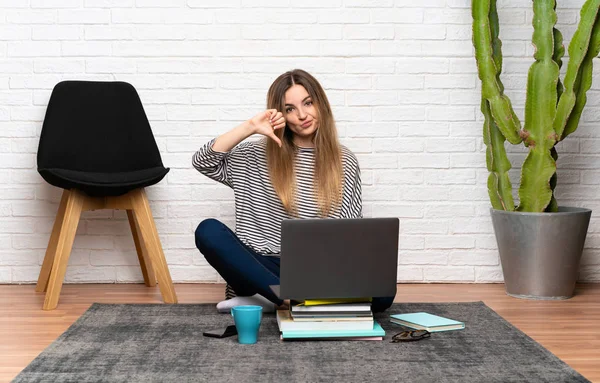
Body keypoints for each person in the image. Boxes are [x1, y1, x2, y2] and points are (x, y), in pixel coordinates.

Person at [192, 69, 394, 313]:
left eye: (308, 103)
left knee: (384, 294)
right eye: (289, 109)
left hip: (315, 272)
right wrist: (250, 127)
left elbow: (349, 233)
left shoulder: (344, 160)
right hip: (260, 267)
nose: (302, 115)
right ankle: (288, 299)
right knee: (208, 230)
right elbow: (203, 161)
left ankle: (270, 300)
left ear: (320, 104)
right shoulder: (253, 155)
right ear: (280, 115)